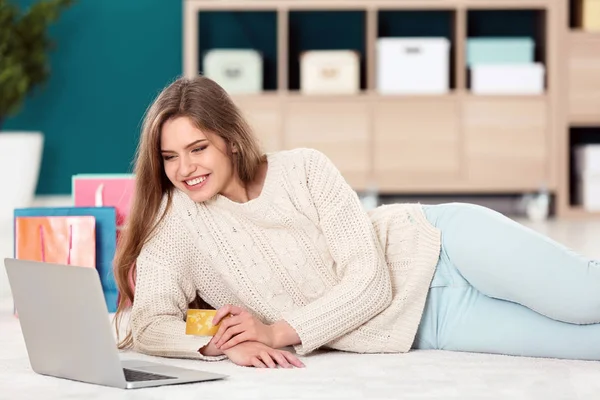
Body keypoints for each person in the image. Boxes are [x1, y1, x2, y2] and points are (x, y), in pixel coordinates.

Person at [113, 75, 600, 369]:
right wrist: (222, 344)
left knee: (584, 296)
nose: (185, 169)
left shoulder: (303, 167)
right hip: (428, 325)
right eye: (170, 157)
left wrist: (275, 331)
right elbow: (148, 324)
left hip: (442, 247)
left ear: (230, 140)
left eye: (198, 148)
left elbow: (368, 283)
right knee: (588, 344)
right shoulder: (176, 222)